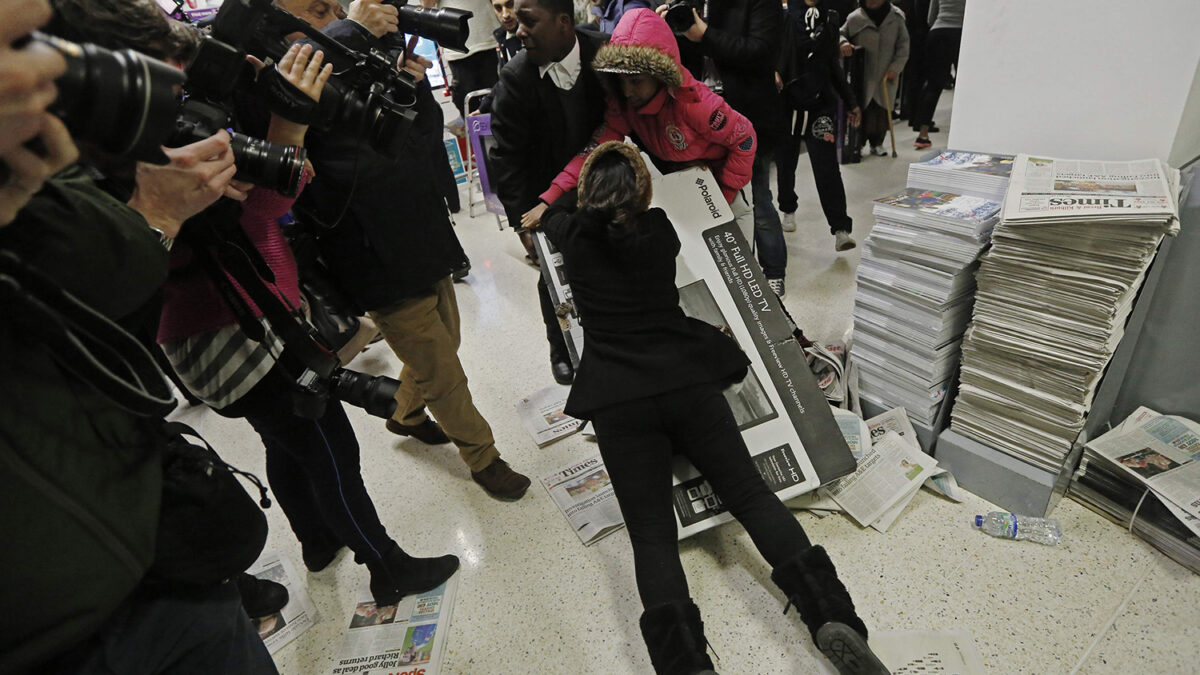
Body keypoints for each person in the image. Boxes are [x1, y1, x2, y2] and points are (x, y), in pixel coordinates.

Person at [529, 141, 887, 675]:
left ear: (588, 202)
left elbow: (549, 218)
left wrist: (552, 204)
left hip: (620, 401)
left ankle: (685, 665)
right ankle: (833, 615)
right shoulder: (659, 232)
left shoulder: (573, 234)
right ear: (642, 196)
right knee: (751, 496)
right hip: (686, 381)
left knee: (651, 535)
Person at [278, 0, 533, 500]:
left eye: (335, 8)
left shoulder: (355, 67)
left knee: (448, 337)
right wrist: (352, 32)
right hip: (371, 250)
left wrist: (408, 86)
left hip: (419, 231)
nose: (331, 19)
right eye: (317, 13)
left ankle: (406, 413)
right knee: (442, 365)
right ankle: (483, 458)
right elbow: (326, 169)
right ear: (284, 29)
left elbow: (414, 141)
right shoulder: (284, 88)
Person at [531, 9, 755, 235]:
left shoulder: (696, 105)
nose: (627, 91)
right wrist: (551, 197)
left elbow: (745, 139)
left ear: (660, 75)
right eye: (621, 80)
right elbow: (593, 149)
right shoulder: (625, 107)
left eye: (636, 81)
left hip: (725, 190)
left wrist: (725, 192)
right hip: (684, 188)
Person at [489, 0, 609, 385]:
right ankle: (561, 348)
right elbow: (506, 157)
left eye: (529, 21)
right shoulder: (515, 78)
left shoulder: (604, 53)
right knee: (554, 280)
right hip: (548, 198)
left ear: (563, 23)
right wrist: (522, 222)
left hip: (606, 186)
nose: (518, 30)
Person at [664, 0, 789, 298]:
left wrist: (704, 34)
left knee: (757, 198)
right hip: (699, 117)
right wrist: (670, 29)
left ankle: (773, 272)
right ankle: (723, 276)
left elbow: (758, 51)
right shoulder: (696, 3)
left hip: (748, 117)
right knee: (707, 200)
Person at [775, 0, 861, 252]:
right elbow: (772, 52)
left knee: (827, 167)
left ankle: (840, 228)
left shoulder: (831, 15)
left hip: (820, 103)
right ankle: (788, 208)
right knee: (786, 160)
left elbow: (831, 63)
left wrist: (851, 100)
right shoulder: (784, 15)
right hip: (788, 100)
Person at [840, 0, 908, 157]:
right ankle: (858, 142)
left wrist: (895, 68)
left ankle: (877, 143)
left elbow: (903, 46)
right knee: (863, 108)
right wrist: (843, 43)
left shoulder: (896, 17)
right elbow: (840, 33)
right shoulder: (855, 18)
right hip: (863, 75)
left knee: (882, 111)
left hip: (886, 74)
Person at [422, 0, 503, 117]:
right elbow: (427, 5)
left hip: (488, 38)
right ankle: (478, 134)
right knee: (466, 102)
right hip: (457, 44)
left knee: (498, 98)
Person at [912, 0, 962, 149]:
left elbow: (930, 17)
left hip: (938, 33)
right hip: (961, 33)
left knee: (933, 86)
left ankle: (922, 135)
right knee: (965, 86)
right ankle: (965, 134)